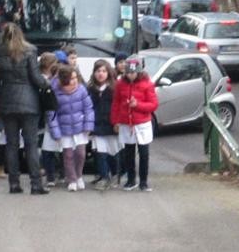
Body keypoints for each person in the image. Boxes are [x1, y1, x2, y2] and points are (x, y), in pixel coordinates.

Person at [0, 22, 50, 195]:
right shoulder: (30, 50)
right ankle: (36, 184)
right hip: (29, 102)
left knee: (11, 145)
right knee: (31, 145)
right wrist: (47, 83)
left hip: (7, 103)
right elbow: (36, 78)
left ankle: (14, 184)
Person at [111, 54, 158, 192]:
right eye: (128, 73)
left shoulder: (147, 84)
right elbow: (116, 103)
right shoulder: (120, 84)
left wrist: (138, 105)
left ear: (138, 72)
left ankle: (143, 181)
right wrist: (115, 121)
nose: (131, 75)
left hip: (142, 123)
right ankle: (131, 180)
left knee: (144, 153)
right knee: (128, 153)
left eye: (133, 73)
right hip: (126, 122)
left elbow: (153, 104)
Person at [46, 65, 94, 192]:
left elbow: (88, 109)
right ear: (64, 80)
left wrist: (88, 125)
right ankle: (72, 179)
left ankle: (79, 176)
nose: (74, 81)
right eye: (71, 78)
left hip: (80, 128)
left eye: (75, 78)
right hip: (64, 129)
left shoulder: (82, 90)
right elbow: (52, 114)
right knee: (67, 156)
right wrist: (56, 132)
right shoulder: (55, 92)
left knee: (81, 154)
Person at [88, 60, 121, 190]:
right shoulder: (90, 89)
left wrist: (117, 122)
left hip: (111, 125)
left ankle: (115, 174)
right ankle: (104, 176)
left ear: (108, 72)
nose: (101, 74)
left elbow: (118, 106)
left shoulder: (114, 88)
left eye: (103, 71)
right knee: (100, 152)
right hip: (97, 125)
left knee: (113, 152)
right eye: (98, 71)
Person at [40, 52, 63, 187]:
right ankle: (54, 175)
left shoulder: (54, 80)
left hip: (53, 119)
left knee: (53, 149)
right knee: (52, 149)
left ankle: (53, 175)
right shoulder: (46, 81)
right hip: (51, 119)